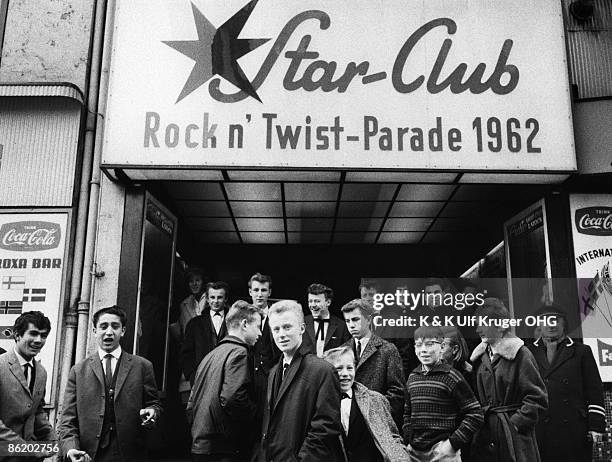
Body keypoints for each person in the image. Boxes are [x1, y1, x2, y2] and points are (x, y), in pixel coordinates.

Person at [58, 305, 162, 462]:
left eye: (115, 326)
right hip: (90, 454)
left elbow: (154, 404)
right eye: (103, 326)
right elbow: (67, 420)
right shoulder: (78, 371)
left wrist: (152, 412)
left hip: (130, 453)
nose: (109, 332)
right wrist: (71, 448)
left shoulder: (142, 366)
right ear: (94, 331)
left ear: (123, 331)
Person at [258, 300, 343, 462]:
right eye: (276, 329)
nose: (281, 334)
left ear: (302, 329)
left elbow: (325, 429)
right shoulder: (273, 372)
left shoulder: (323, 370)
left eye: (287, 327)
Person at [470, 298, 548, 462]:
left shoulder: (521, 354)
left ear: (500, 326)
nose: (477, 329)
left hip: (514, 439)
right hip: (486, 436)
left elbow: (537, 398)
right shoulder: (479, 358)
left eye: (483, 324)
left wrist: (516, 424)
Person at [527, 304, 606, 462]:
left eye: (556, 320)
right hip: (540, 429)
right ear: (538, 325)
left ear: (564, 324)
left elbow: (595, 391)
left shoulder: (582, 351)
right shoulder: (528, 352)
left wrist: (596, 426)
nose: (551, 324)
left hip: (574, 429)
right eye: (545, 320)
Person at [187, 300, 262, 462]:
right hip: (223, 448)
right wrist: (258, 416)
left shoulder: (210, 355)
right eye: (258, 326)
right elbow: (232, 398)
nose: (260, 333)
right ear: (244, 324)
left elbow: (191, 403)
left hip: (201, 444)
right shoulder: (239, 353)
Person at [404, 326, 483, 462]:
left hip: (443, 452)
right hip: (414, 452)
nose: (423, 350)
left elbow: (475, 414)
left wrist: (453, 443)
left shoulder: (452, 376)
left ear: (441, 347)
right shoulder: (412, 377)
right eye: (418, 345)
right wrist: (408, 438)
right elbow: (407, 413)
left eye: (430, 344)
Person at [323, 346, 409, 462]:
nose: (345, 374)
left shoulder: (375, 400)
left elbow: (392, 437)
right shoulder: (319, 404)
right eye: (338, 369)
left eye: (350, 368)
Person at [0, 311, 56, 462]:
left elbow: (37, 411)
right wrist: (25, 449)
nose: (38, 340)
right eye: (33, 333)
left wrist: (52, 441)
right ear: (17, 335)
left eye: (43, 336)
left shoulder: (41, 372)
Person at [341, 298, 405, 428]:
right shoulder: (343, 351)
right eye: (347, 321)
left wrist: (375, 415)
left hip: (377, 426)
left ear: (369, 320)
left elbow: (397, 392)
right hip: (348, 424)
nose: (351, 325)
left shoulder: (388, 350)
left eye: (355, 319)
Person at [170, 266, 207, 404]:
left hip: (207, 351)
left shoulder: (212, 300)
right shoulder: (184, 304)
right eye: (191, 281)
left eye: (198, 280)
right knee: (188, 397)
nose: (194, 284)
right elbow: (179, 331)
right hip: (190, 353)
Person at [181, 281, 229, 385]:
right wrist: (192, 375)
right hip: (201, 379)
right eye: (212, 297)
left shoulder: (233, 323)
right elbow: (187, 353)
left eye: (219, 297)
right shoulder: (194, 324)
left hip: (228, 379)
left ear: (225, 299)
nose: (215, 301)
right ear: (207, 299)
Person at [302, 283, 351, 357]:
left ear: (328, 302)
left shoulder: (342, 326)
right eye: (310, 301)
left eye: (317, 301)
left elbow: (346, 353)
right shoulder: (301, 323)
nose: (312, 305)